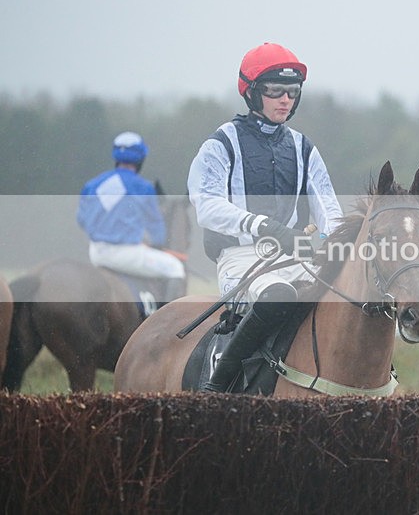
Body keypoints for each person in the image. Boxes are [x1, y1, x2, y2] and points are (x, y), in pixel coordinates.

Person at [187, 42, 343, 392]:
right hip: (239, 259)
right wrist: (262, 226)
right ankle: (215, 387)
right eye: (275, 91)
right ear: (252, 93)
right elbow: (207, 206)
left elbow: (329, 210)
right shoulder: (221, 143)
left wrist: (330, 242)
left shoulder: (304, 148)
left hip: (293, 256)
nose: (285, 99)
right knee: (279, 297)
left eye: (292, 91)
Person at [77, 132, 186, 303]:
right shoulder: (144, 187)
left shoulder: (92, 185)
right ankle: (168, 320)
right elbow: (156, 229)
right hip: (126, 255)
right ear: (141, 159)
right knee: (175, 268)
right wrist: (155, 243)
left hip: (96, 252)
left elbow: (82, 220)